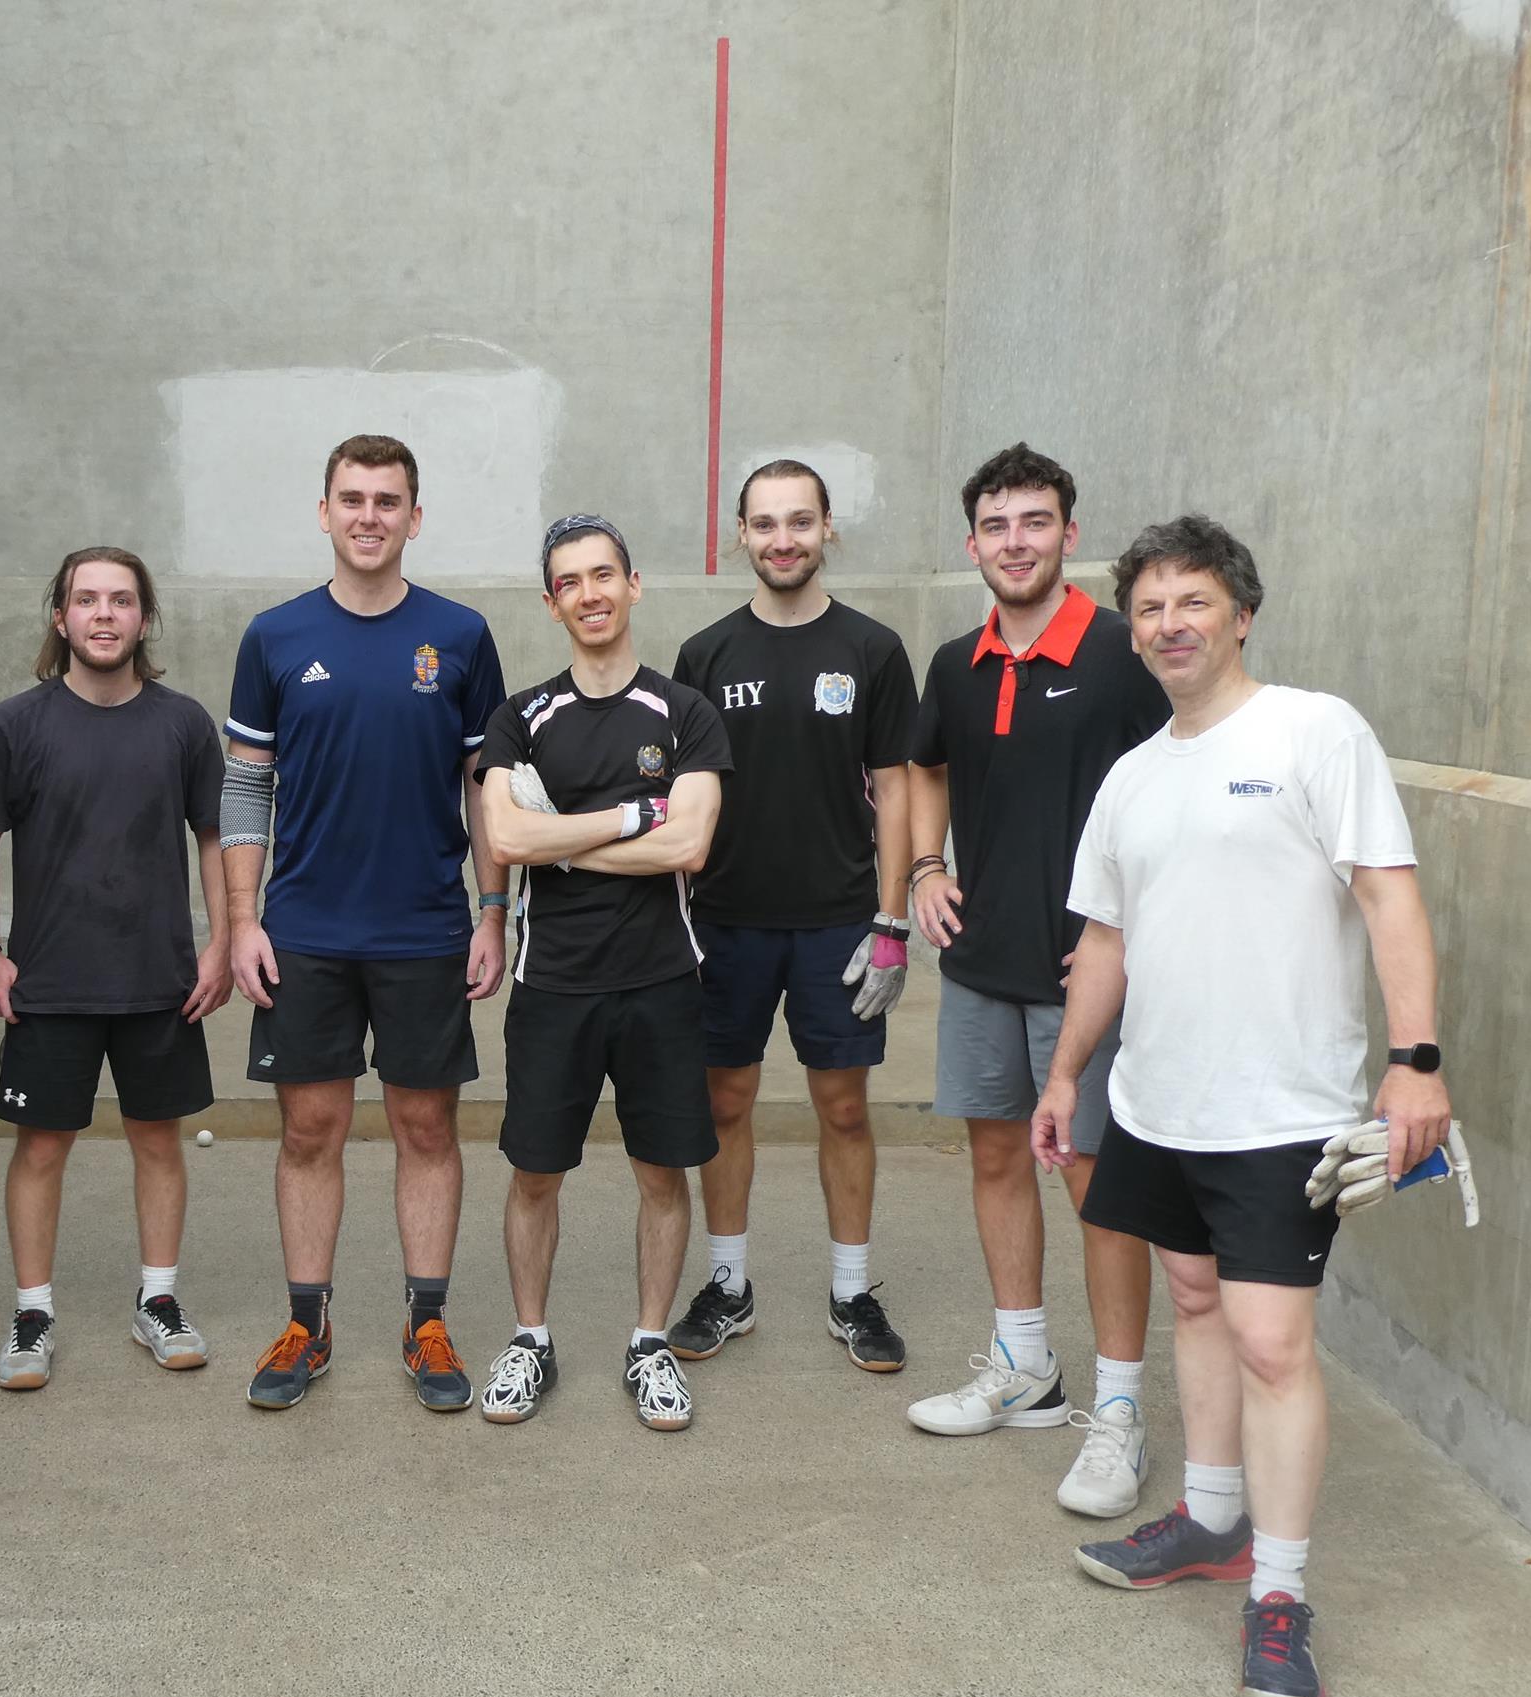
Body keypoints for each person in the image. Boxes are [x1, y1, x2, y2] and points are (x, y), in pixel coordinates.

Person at [1037, 515, 1449, 1697]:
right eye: (1151, 608)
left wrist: (1415, 1061)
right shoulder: (1132, 775)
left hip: (1285, 1112)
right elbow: (1104, 943)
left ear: (1241, 613)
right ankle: (1211, 1517)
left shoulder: (1315, 730)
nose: (1170, 624)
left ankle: (1279, 1591)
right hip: (1159, 1101)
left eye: (1193, 602)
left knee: (1274, 1343)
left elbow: (1389, 897)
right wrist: (1068, 1077)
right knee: (1197, 1302)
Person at [902, 444, 1168, 1518]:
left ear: (1068, 534)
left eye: (1037, 522)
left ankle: (1119, 1410)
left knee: (1095, 1183)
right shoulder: (955, 663)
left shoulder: (1117, 654)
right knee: (998, 1156)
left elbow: (1175, 785)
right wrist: (926, 868)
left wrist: (1133, 931)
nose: (1017, 542)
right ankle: (1027, 1371)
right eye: (998, 525)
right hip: (981, 962)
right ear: (974, 543)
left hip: (1083, 975)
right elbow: (923, 765)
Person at [220, 434, 509, 1412]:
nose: (371, 515)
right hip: (303, 931)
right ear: (325, 512)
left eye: (389, 500)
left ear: (415, 518)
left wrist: (493, 910)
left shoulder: (461, 636)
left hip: (427, 931)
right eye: (353, 498)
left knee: (426, 1124)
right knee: (311, 1129)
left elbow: (488, 791)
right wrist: (238, 923)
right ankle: (309, 1322)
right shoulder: (274, 637)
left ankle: (427, 1322)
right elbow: (244, 787)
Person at [474, 515, 730, 1431]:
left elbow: (691, 842)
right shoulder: (521, 716)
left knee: (663, 1174)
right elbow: (504, 838)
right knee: (535, 1174)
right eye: (570, 583)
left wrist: (565, 840)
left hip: (663, 981)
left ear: (632, 585)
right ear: (552, 604)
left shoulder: (684, 712)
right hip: (552, 985)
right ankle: (531, 1340)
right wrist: (629, 822)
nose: (589, 594)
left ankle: (650, 1344)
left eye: (603, 576)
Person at [666, 461, 917, 1374]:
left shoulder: (873, 650)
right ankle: (729, 1284)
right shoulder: (704, 655)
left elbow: (895, 791)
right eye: (765, 523)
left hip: (840, 924)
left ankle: (853, 1292)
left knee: (842, 1107)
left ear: (827, 531)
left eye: (800, 522)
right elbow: (687, 798)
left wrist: (892, 923)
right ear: (740, 534)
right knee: (724, 1101)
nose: (783, 539)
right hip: (725, 924)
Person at [0, 547, 230, 1388]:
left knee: (159, 1141)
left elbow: (215, 838)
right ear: (61, 617)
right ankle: (32, 1313)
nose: (104, 615)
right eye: (87, 600)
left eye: (121, 600)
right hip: (50, 982)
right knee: (42, 1149)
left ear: (144, 618)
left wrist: (222, 940)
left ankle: (158, 1300)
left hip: (160, 979)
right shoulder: (13, 724)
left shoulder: (184, 723)